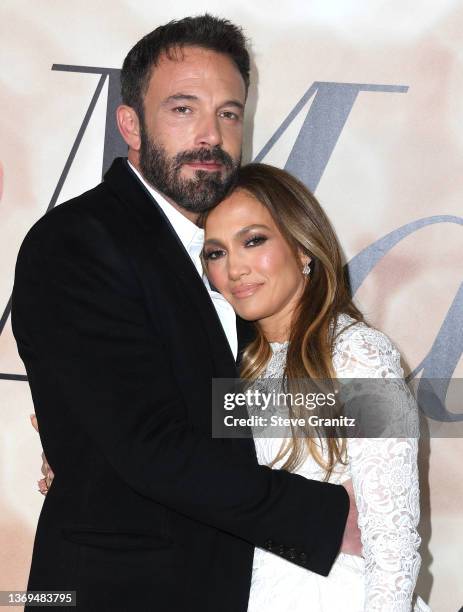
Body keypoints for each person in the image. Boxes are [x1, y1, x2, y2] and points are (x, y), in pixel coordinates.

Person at [12, 15, 359, 612]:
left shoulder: (230, 253)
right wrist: (328, 517)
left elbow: (230, 402)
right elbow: (150, 445)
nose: (211, 134)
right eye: (183, 109)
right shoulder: (75, 242)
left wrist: (382, 409)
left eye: (229, 112)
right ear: (131, 125)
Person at [202, 162, 431, 611]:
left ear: (303, 247)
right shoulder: (239, 366)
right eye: (216, 252)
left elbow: (392, 540)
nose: (235, 268)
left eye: (253, 241)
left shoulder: (357, 353)